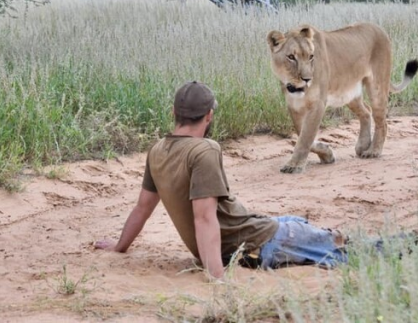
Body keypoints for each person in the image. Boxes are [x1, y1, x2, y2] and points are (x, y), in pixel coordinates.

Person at [95, 81, 350, 281]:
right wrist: (217, 280)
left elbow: (142, 207)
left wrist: (120, 246)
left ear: (174, 112)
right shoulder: (204, 150)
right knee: (345, 248)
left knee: (292, 222)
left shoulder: (157, 150)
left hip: (253, 233)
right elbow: (204, 217)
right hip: (254, 245)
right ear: (209, 115)